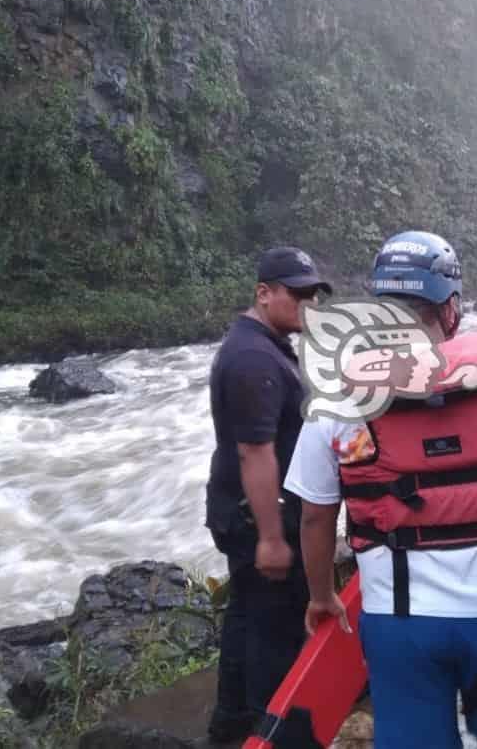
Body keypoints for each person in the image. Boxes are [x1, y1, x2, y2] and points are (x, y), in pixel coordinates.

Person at [284, 230, 477, 749]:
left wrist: (323, 594)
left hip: (401, 624)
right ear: (451, 309)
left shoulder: (338, 401)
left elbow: (314, 516)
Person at [202, 246, 332, 743]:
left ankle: (231, 724)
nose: (307, 303)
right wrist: (273, 538)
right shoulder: (254, 358)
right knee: (275, 632)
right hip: (259, 515)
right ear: (263, 293)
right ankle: (274, 730)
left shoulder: (262, 345)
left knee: (247, 616)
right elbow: (256, 454)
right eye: (296, 294)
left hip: (242, 509)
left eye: (312, 294)